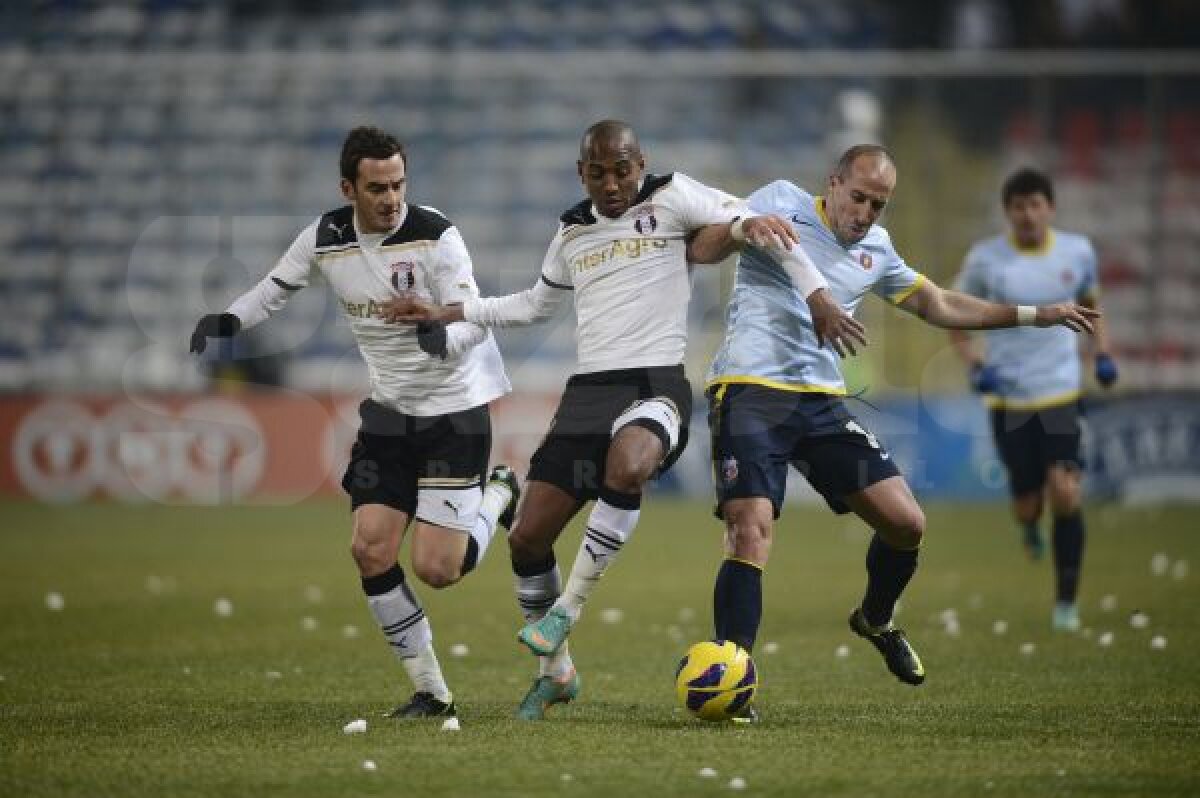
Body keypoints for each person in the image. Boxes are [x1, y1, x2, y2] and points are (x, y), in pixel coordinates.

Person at [385, 119, 866, 720]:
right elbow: (533, 305)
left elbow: (758, 226)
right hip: (588, 392)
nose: (611, 184)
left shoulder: (673, 195)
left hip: (655, 383)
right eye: (598, 173)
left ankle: (568, 610)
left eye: (622, 170)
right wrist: (448, 311)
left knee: (630, 463)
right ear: (581, 173)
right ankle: (556, 674)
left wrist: (817, 294)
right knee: (528, 538)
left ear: (641, 165)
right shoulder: (571, 229)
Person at [687, 145, 1099, 709]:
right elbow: (702, 248)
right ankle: (733, 679)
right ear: (833, 183)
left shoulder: (876, 249)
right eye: (857, 197)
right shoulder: (781, 200)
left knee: (907, 524)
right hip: (750, 391)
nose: (864, 213)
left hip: (821, 404)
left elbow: (940, 304)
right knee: (749, 528)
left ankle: (875, 619)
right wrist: (741, 229)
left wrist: (1036, 315)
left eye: (877, 205)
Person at [189, 126, 519, 719]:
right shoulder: (326, 237)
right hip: (390, 413)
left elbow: (474, 320)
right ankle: (432, 692)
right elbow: (275, 288)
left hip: (453, 411)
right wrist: (229, 321)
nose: (391, 199)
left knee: (438, 569)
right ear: (348, 189)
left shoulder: (436, 235)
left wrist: (438, 335)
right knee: (370, 549)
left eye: (398, 185)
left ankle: (499, 495)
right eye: (377, 188)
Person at [949, 167, 1117, 632]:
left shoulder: (1077, 252)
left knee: (1065, 491)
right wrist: (975, 364)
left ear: (1050, 208)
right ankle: (1027, 524)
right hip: (1009, 400)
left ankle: (1066, 602)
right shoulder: (985, 260)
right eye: (1018, 206)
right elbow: (953, 313)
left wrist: (1102, 353)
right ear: (1007, 212)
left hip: (1060, 391)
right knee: (1029, 504)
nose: (1027, 214)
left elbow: (1092, 306)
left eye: (1035, 205)